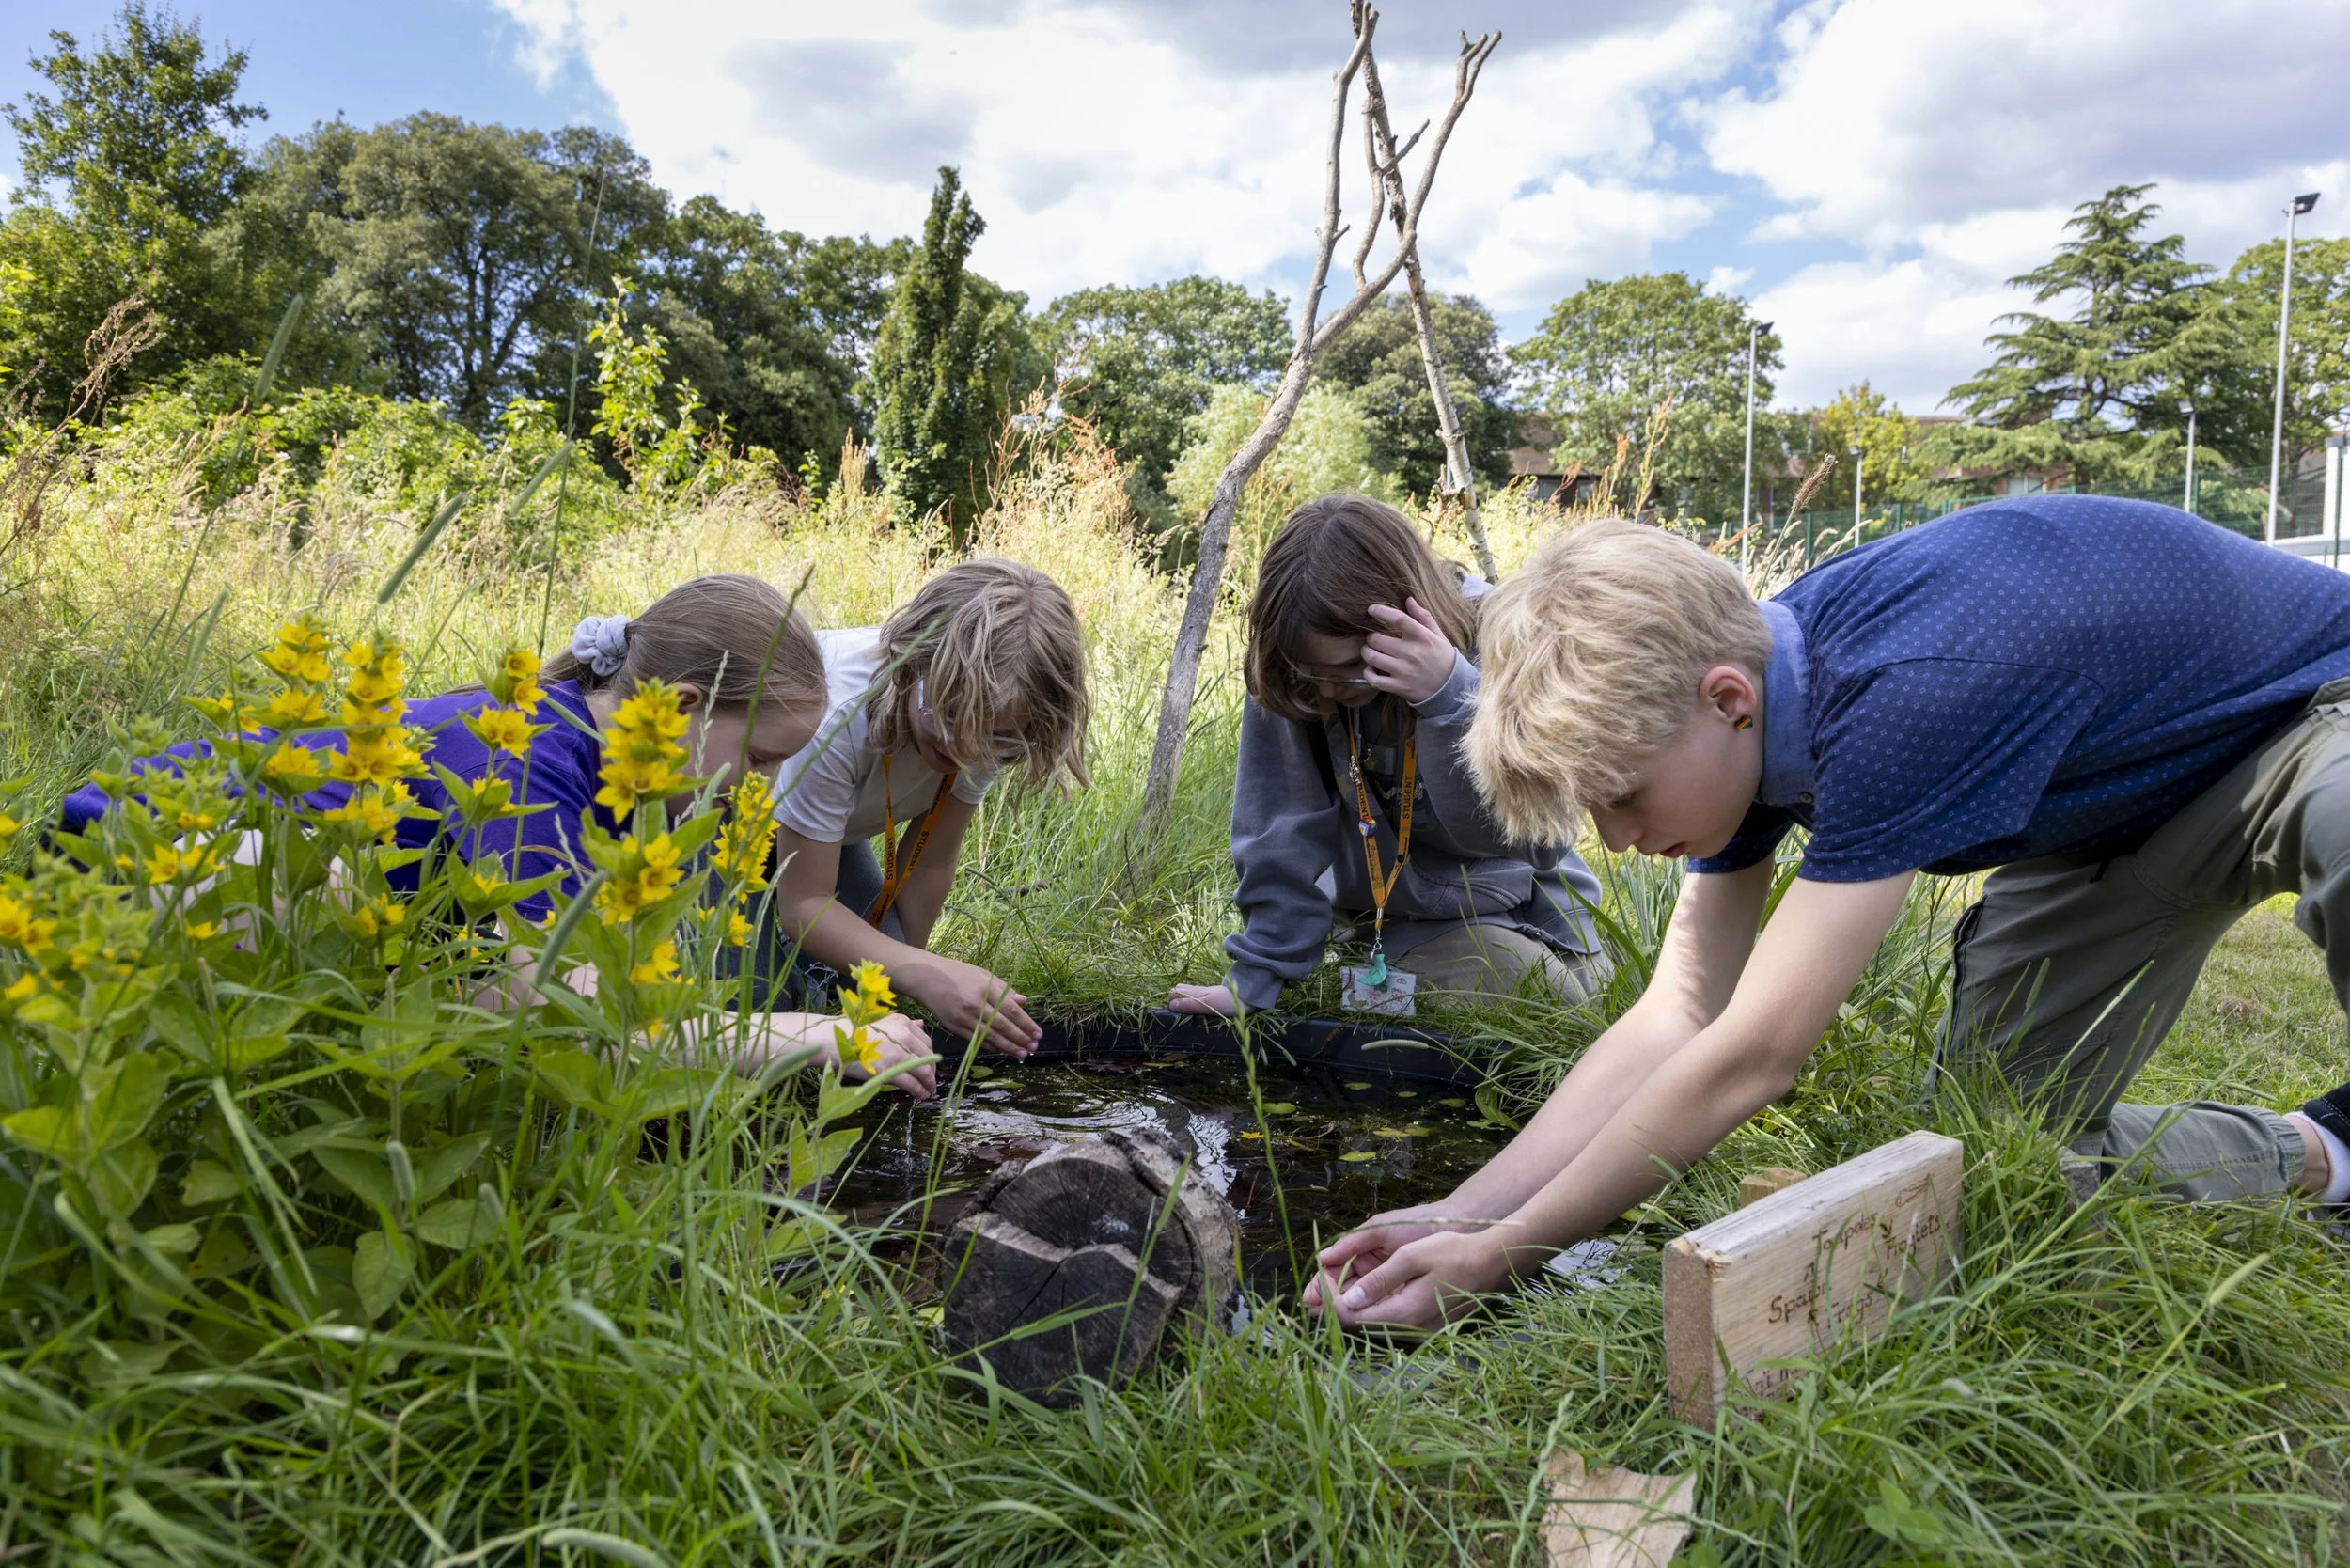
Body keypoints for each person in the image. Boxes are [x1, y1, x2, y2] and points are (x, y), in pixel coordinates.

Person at [1312, 498, 2350, 1328]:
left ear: (1727, 700)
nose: (1617, 839)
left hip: (2308, 710)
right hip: (2112, 810)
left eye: (1621, 796)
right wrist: (1461, 1212)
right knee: (2002, 1153)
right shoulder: (1746, 712)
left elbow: (1755, 1056)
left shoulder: (1901, 696)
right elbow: (1680, 1013)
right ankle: (2330, 1153)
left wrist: (1510, 1252)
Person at [59, 573, 939, 1094]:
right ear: (680, 709)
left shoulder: (620, 788)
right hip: (144, 848)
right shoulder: (529, 764)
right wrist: (817, 1038)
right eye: (760, 759)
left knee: (463, 986)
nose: (762, 788)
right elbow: (575, 1022)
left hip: (249, 883)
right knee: (455, 975)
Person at [1166, 495, 1607, 1019]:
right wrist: (1254, 980)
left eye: (1350, 670)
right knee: (1512, 978)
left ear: (1400, 624)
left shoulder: (1502, 636)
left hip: (1540, 907)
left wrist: (1447, 696)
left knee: (1581, 1007)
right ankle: (1371, 979)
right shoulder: (1295, 668)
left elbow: (1534, 840)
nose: (1326, 690)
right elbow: (1281, 832)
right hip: (1406, 925)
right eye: (1311, 673)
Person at [757, 557, 1089, 1058]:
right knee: (759, 1000)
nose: (964, 750)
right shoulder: (838, 715)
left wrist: (910, 978)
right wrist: (925, 973)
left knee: (880, 977)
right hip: (723, 823)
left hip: (824, 842)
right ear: (910, 667)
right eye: (950, 719)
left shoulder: (988, 716)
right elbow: (804, 905)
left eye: (999, 740)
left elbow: (931, 863)